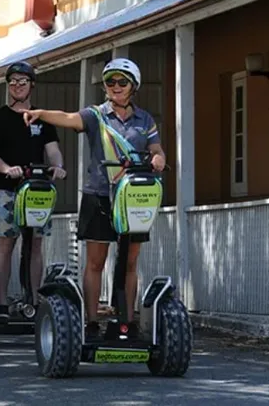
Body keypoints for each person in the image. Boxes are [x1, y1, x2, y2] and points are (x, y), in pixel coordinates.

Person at [23, 57, 166, 340]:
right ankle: (91, 323)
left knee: (129, 261)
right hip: (99, 194)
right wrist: (40, 113)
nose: (115, 86)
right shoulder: (95, 115)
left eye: (121, 82)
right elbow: (68, 118)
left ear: (133, 86)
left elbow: (157, 149)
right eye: (110, 81)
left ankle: (126, 322)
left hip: (132, 198)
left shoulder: (145, 119)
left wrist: (159, 159)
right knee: (95, 261)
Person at [0, 61, 67, 322]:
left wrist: (58, 167)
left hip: (37, 189)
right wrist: (8, 169)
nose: (17, 86)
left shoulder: (41, 118)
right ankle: (2, 303)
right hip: (7, 190)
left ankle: (33, 300)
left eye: (23, 81)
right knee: (6, 243)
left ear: (32, 85)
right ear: (8, 86)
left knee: (36, 245)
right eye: (13, 82)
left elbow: (53, 151)